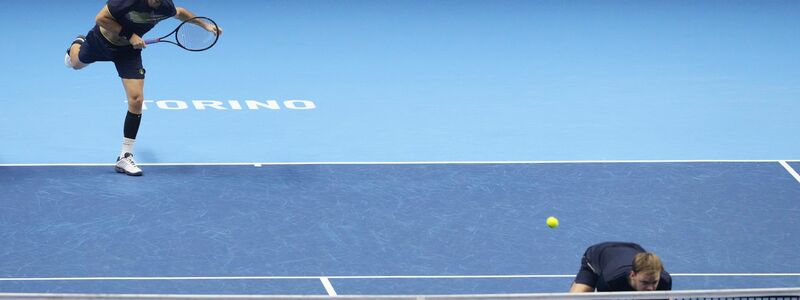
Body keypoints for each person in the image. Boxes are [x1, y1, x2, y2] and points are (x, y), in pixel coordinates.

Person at [64, 0, 222, 176]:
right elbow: (101, 18)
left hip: (128, 52)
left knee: (136, 99)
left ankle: (125, 156)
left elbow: (180, 12)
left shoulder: (165, 7)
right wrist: (130, 35)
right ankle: (77, 42)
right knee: (76, 63)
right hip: (101, 41)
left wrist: (204, 25)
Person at [569, 241, 672, 292]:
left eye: (654, 282)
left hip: (633, 248)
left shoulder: (664, 280)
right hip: (596, 257)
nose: (650, 288)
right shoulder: (611, 280)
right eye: (644, 282)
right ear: (632, 275)